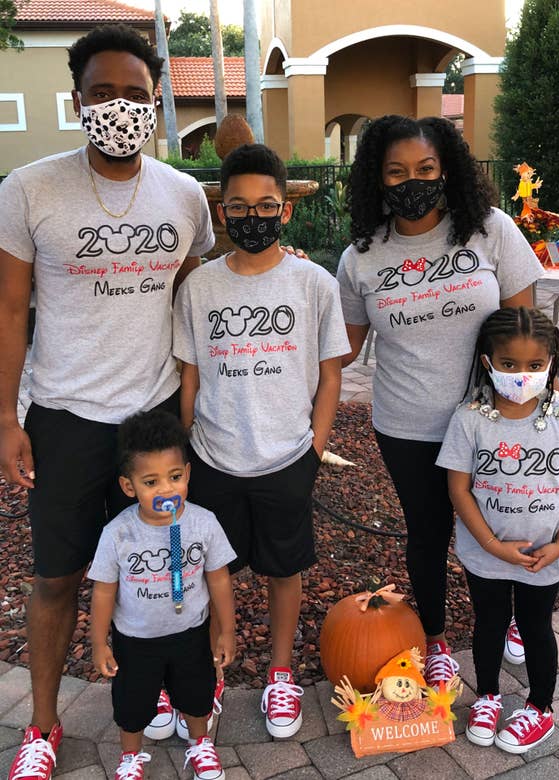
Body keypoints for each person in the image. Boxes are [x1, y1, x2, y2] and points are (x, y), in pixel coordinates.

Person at [0, 25, 215, 778]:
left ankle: (153, 693)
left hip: (153, 421)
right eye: (101, 93)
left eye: (134, 94)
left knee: (156, 567)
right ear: (76, 101)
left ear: (155, 103)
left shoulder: (185, 195)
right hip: (63, 415)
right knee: (58, 577)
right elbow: (10, 311)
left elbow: (196, 298)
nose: (118, 106)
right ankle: (43, 726)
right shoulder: (29, 189)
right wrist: (6, 418)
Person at [336, 115, 544, 687]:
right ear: (377, 180)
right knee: (427, 533)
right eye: (396, 172)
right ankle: (434, 638)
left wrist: (533, 409)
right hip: (408, 423)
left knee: (507, 518)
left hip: (492, 420)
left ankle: (511, 622)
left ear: (446, 168)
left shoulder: (492, 231)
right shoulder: (361, 258)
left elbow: (525, 330)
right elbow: (344, 349)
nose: (412, 182)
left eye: (425, 169)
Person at [173, 144, 349, 738]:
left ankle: (280, 673)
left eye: (267, 205)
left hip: (286, 456)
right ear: (221, 212)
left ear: (286, 212)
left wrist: (314, 450)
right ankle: (206, 675)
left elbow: (330, 374)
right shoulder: (198, 288)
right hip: (215, 455)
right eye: (241, 206)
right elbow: (189, 373)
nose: (254, 216)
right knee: (206, 570)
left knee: (284, 570)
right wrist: (188, 446)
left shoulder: (314, 284)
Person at [437, 307, 559, 754]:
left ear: (550, 362)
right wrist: (492, 546)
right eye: (509, 364)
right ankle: (489, 695)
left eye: (535, 366)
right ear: (487, 363)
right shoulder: (470, 419)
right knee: (490, 623)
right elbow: (458, 488)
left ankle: (541, 707)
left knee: (536, 626)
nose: (522, 375)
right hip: (484, 556)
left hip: (544, 554)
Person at [88, 410, 236, 780]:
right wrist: (98, 641)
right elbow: (104, 591)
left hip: (190, 632)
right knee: (132, 702)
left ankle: (200, 744)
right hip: (136, 638)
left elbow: (218, 580)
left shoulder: (204, 523)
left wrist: (227, 631)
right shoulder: (118, 534)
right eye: (151, 482)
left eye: (174, 477)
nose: (166, 490)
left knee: (197, 692)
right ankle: (130, 757)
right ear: (128, 487)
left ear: (187, 474)